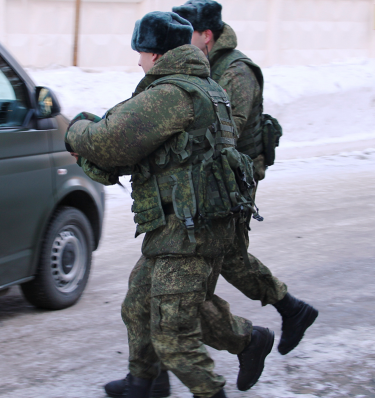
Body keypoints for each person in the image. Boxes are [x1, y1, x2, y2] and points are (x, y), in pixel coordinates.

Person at [102, 2, 319, 396]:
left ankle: (261, 329)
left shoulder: (236, 72)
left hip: (222, 188)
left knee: (188, 292)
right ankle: (151, 375)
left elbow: (223, 134)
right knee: (176, 290)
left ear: (206, 35)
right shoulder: (200, 70)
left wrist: (163, 133)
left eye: (191, 32)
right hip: (199, 190)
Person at [66, 11, 276, 398]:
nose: (139, 61)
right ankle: (142, 384)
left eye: (142, 52)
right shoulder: (202, 86)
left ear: (159, 54)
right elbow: (144, 152)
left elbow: (111, 140)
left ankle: (216, 382)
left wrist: (74, 131)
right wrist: (92, 154)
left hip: (188, 232)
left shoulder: (171, 94)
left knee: (174, 337)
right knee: (138, 303)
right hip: (185, 227)